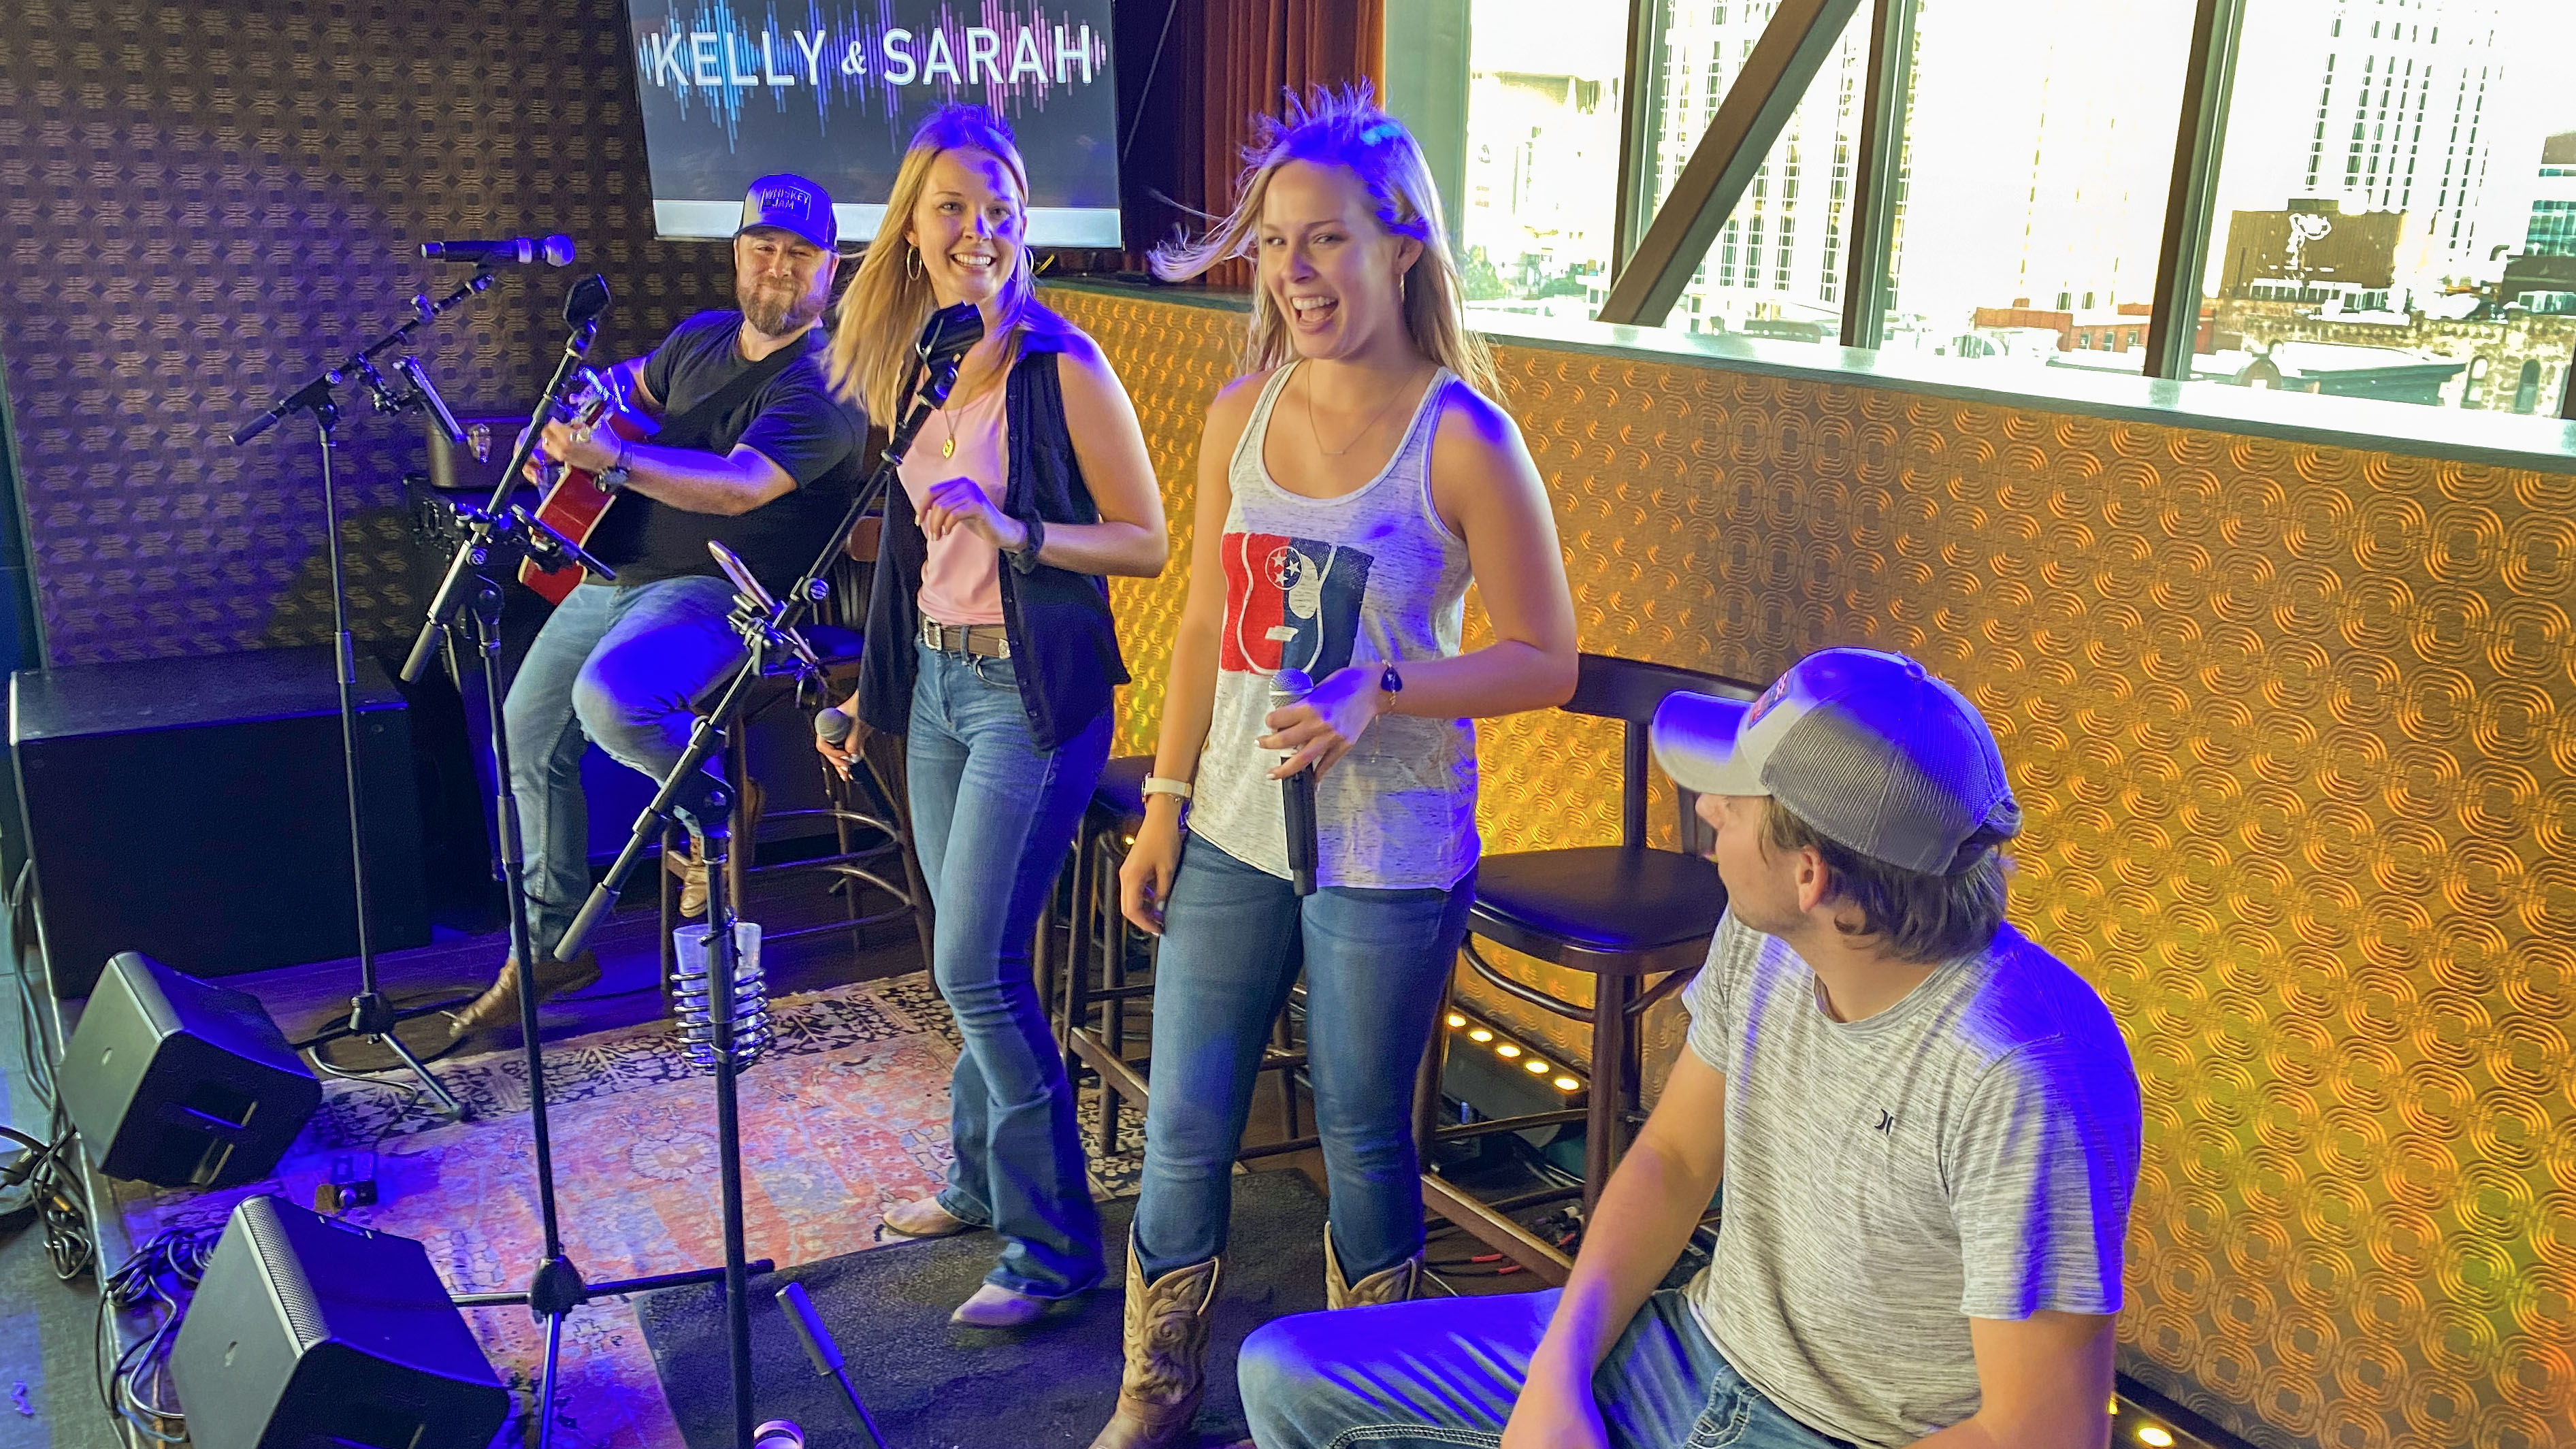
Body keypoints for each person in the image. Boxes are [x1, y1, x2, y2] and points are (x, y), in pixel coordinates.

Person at [1235, 647, 2147, 1449]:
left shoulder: (2023, 1076)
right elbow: (1670, 1160)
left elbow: (2043, 1429)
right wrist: (1556, 1379)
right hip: (1691, 1348)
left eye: (1733, 801)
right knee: (1284, 1372)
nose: (1705, 807)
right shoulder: (1770, 934)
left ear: (1810, 873)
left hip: (1856, 1434)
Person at [1089, 90, 1579, 1449]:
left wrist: (1384, 686)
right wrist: (1164, 806)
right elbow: (1201, 622)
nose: (1293, 274)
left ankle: (1366, 1411)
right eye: (1272, 245)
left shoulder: (1464, 436)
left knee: (1363, 1133)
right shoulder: (1239, 409)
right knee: (1185, 1115)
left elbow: (1546, 657)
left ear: (1399, 245)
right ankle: (1153, 1383)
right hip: (1233, 829)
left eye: (1324, 243)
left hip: (1390, 849)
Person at [813, 104, 1167, 1329]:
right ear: (911, 225)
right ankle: (976, 1182)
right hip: (940, 683)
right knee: (965, 958)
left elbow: (1151, 540)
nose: (979, 229)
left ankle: (1054, 1243)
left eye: (999, 207)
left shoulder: (1060, 360)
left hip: (1032, 696)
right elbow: (911, 550)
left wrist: (1020, 530)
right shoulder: (917, 362)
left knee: (974, 965)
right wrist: (870, 687)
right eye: (953, 206)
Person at [446, 173, 866, 1045]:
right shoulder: (699, 340)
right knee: (522, 734)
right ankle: (551, 944)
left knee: (612, 698)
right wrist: (574, 426)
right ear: (737, 256)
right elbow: (620, 390)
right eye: (763, 249)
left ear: (831, 269)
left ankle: (715, 800)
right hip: (620, 571)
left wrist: (611, 463)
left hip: (729, 588)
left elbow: (742, 487)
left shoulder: (832, 380)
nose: (778, 268)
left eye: (800, 255)